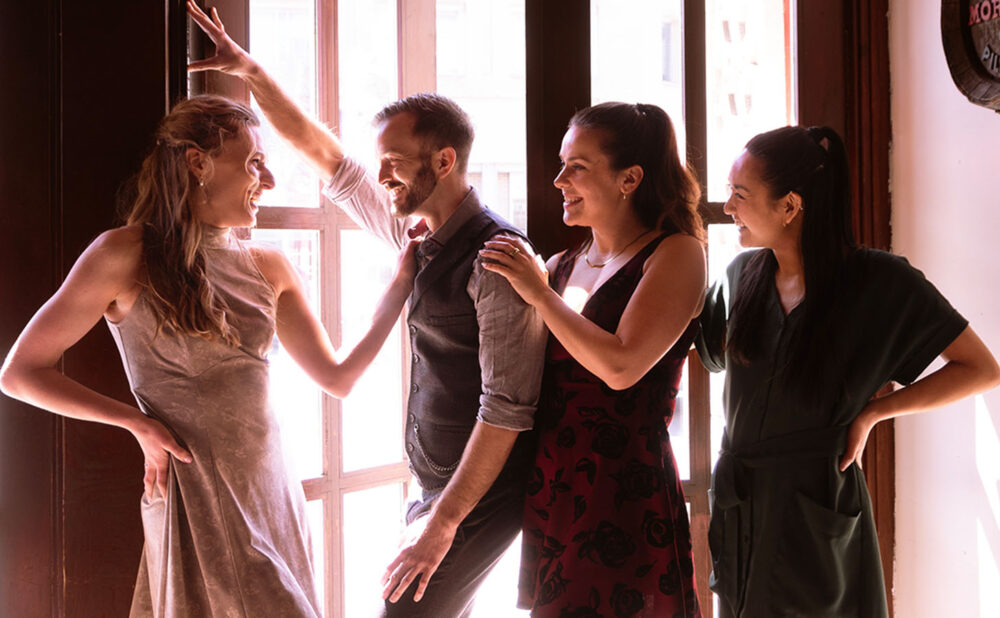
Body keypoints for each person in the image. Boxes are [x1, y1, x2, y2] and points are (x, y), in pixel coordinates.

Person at [184, 3, 547, 616]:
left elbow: (508, 408)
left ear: (444, 161)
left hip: (478, 495)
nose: (380, 176)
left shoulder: (498, 259)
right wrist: (250, 72)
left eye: (394, 162)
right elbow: (327, 160)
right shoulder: (417, 235)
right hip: (435, 488)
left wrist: (441, 524)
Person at [0, 94, 418, 617]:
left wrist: (402, 282)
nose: (267, 182)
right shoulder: (124, 255)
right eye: (254, 164)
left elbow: (338, 378)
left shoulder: (271, 268)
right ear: (198, 163)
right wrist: (137, 424)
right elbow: (20, 373)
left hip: (270, 488)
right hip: (194, 486)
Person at [695, 125, 1000, 617]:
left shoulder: (879, 282)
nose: (728, 207)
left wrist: (876, 412)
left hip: (816, 502)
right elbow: (706, 352)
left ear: (790, 206)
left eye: (740, 194)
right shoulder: (740, 277)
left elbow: (981, 368)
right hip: (743, 506)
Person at [480, 102, 706, 617]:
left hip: (624, 491)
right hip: (553, 483)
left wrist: (538, 295)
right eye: (562, 164)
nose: (559, 180)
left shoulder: (675, 254)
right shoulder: (560, 266)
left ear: (629, 179)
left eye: (577, 166)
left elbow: (622, 367)